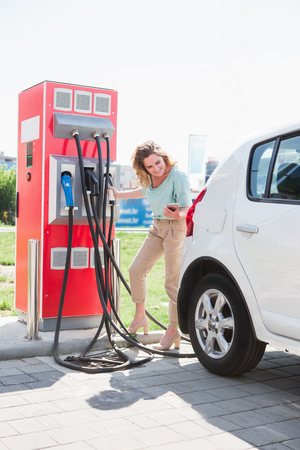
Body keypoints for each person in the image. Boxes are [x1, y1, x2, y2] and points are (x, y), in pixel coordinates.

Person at [109, 141, 191, 350]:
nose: (156, 168)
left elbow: (186, 207)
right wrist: (118, 195)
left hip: (175, 228)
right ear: (144, 168)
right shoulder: (150, 178)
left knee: (172, 283)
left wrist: (177, 213)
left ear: (163, 156)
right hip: (156, 228)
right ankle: (140, 317)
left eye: (158, 162)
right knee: (136, 270)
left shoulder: (177, 176)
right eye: (150, 166)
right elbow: (143, 191)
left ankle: (173, 331)